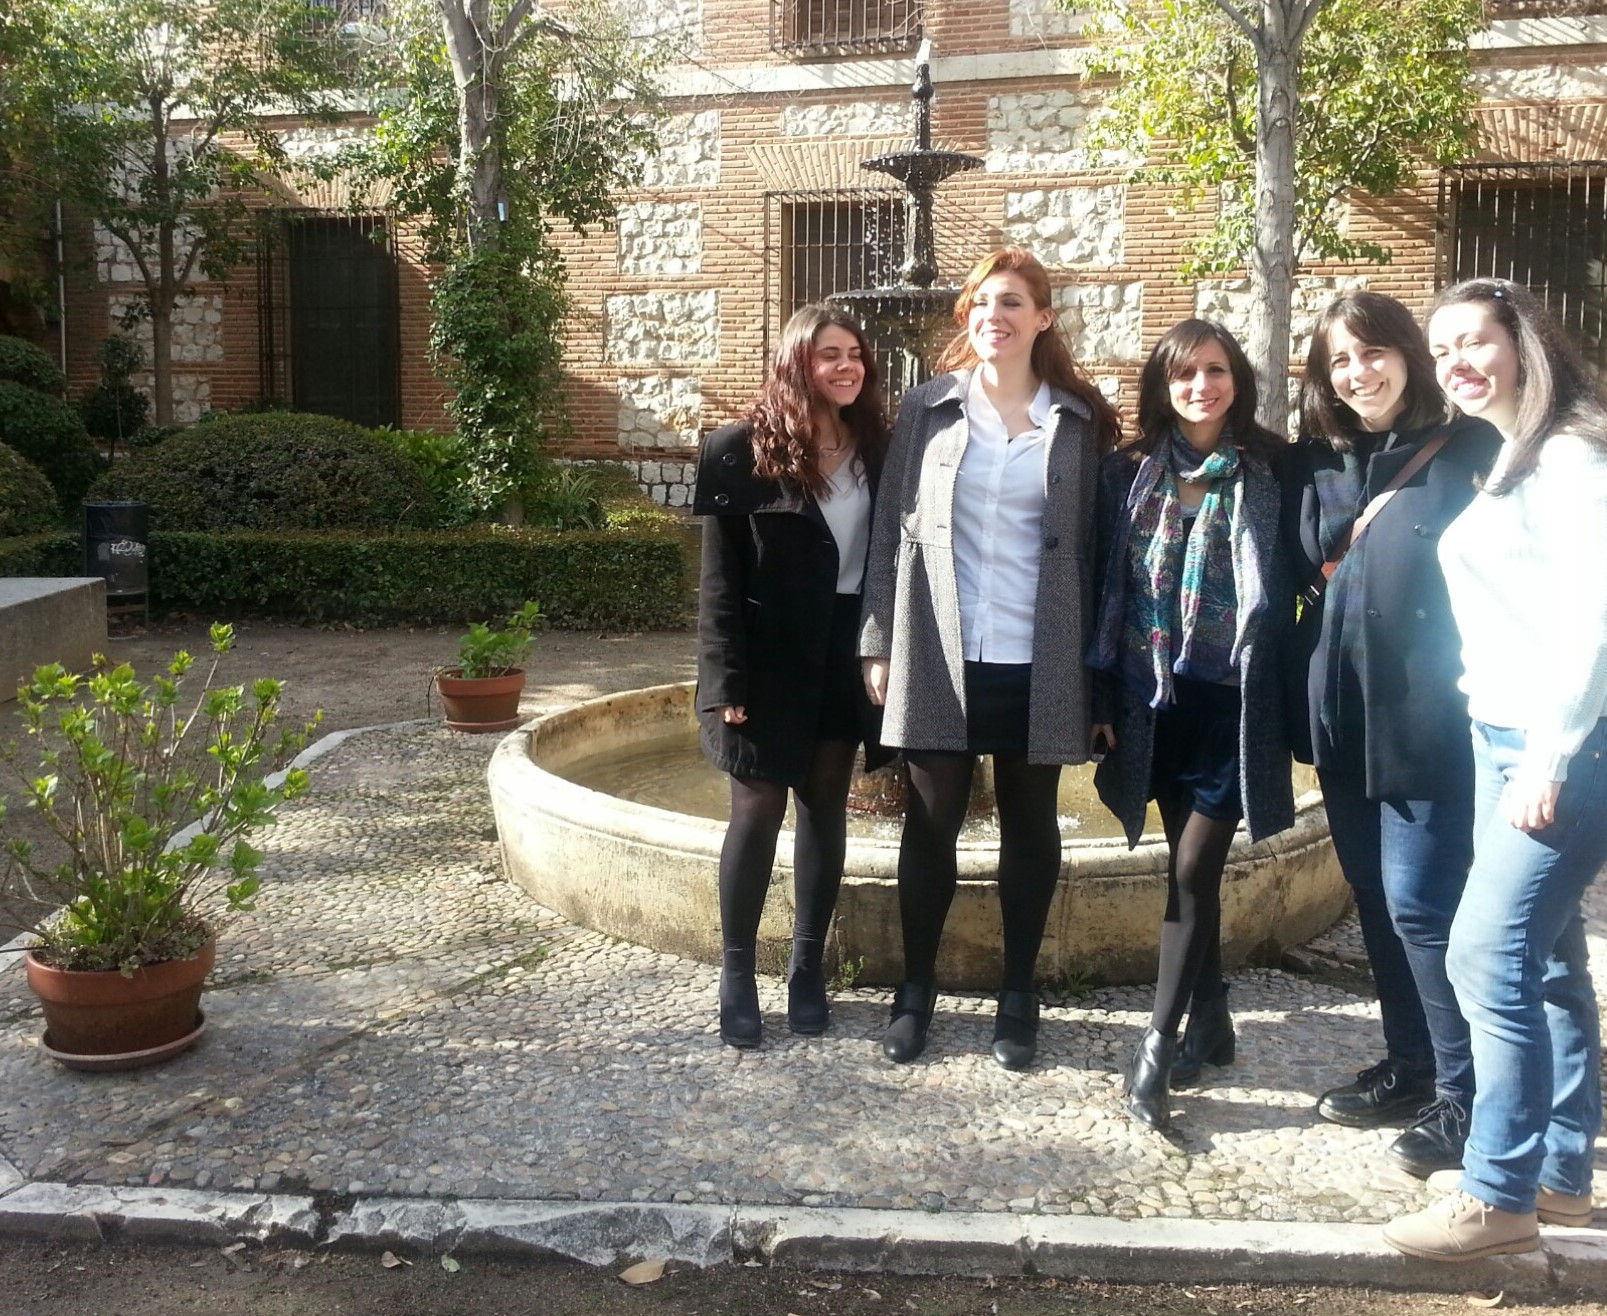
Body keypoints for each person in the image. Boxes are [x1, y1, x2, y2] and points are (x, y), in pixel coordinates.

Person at [1384, 279, 1607, 1260]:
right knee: (1547, 956)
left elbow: (1591, 620)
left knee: (1486, 953)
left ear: (1522, 341)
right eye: (1443, 350)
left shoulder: (1567, 458)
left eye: (1473, 341)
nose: (1457, 363)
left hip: (1557, 743)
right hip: (1500, 735)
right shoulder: (1515, 453)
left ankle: (1494, 1190)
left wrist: (1551, 753)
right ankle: (1557, 1170)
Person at [859, 247, 1120, 1068]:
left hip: (1037, 656)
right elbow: (887, 534)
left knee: (1030, 827)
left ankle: (1018, 992)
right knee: (930, 823)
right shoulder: (928, 410)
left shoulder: (1079, 420)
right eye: (980, 304)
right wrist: (877, 641)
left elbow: (1100, 546)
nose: (993, 318)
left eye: (1011, 304)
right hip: (940, 648)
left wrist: (1099, 676)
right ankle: (916, 989)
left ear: (1042, 318)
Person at [1283, 292, 1501, 1175]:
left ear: (1408, 355)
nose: (1357, 372)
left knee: (1423, 906)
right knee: (1375, 902)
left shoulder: (1472, 452)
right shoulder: (1319, 464)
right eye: (1338, 361)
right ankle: (1413, 1068)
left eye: (1371, 353)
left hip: (1431, 723)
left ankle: (1469, 1098)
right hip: (1342, 722)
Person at [1087, 319, 1292, 1131]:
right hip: (1150, 702)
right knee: (1185, 864)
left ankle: (1153, 1051)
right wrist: (1102, 703)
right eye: (1183, 375)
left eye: (1214, 371)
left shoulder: (1273, 468)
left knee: (1191, 874)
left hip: (1233, 707)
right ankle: (1213, 1017)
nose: (1200, 387)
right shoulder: (1126, 473)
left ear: (1234, 379)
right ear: (1162, 388)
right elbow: (1104, 588)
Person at [692, 303, 890, 1050]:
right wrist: (724, 683)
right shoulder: (735, 452)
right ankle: (737, 974)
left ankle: (807, 967)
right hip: (766, 654)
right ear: (795, 363)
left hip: (846, 649)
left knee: (824, 806)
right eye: (827, 355)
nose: (845, 367)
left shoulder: (880, 446)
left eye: (854, 354)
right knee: (755, 809)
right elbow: (718, 583)